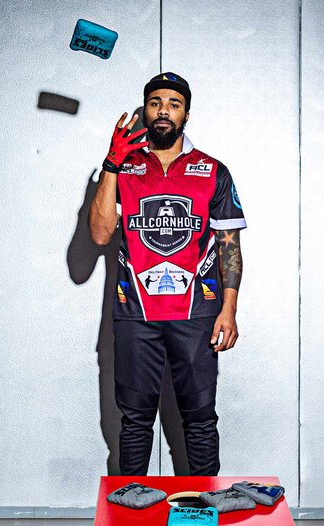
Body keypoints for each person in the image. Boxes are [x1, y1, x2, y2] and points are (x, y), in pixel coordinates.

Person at [89, 72, 246, 476]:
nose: (164, 110)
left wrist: (228, 310)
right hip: (135, 313)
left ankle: (208, 512)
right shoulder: (124, 167)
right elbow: (101, 232)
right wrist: (111, 164)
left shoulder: (213, 170)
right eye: (156, 102)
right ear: (146, 111)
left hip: (196, 314)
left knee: (199, 419)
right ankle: (129, 522)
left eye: (173, 104)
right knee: (136, 421)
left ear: (186, 115)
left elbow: (230, 246)